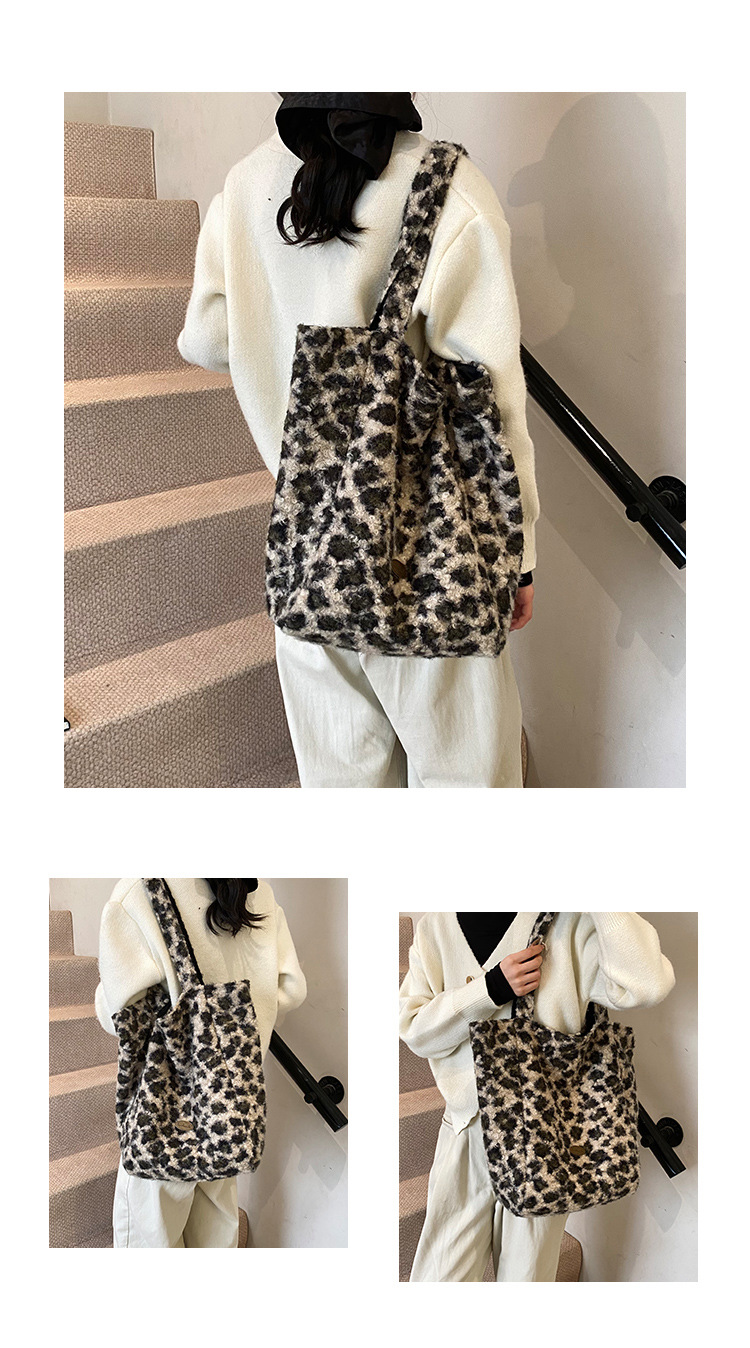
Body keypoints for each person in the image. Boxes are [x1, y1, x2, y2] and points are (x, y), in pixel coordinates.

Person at [177, 93, 539, 788]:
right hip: (434, 568)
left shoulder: (248, 183)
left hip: (309, 558)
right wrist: (518, 557)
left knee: (341, 790)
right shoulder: (449, 188)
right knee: (469, 789)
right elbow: (492, 399)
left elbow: (207, 339)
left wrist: (277, 325)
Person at [399, 912, 675, 1281]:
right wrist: (490, 989)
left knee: (527, 1277)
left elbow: (647, 985)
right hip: (465, 1130)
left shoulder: (570, 922)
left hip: (545, 1139)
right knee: (440, 1276)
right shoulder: (436, 926)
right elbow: (414, 1030)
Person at [95, 877, 306, 1247]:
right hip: (227, 1107)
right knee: (216, 1236)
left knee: (150, 1239)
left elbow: (120, 1014)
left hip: (163, 1116)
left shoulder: (140, 890)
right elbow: (290, 989)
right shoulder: (256, 890)